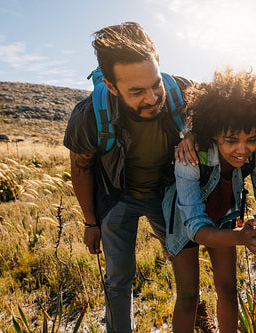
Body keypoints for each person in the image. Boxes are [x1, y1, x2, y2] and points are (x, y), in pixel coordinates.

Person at [63, 22, 192, 333]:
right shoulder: (89, 115)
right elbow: (80, 168)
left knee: (186, 269)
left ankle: (194, 316)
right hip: (117, 199)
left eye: (156, 85)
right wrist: (91, 222)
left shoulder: (182, 94)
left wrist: (193, 134)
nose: (151, 98)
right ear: (110, 86)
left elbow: (215, 121)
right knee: (119, 279)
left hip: (166, 196)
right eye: (136, 92)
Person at [162, 68, 256, 332]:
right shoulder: (190, 156)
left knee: (228, 290)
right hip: (184, 222)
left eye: (251, 140)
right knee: (189, 296)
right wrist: (241, 237)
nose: (242, 149)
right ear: (214, 132)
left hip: (225, 216)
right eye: (231, 140)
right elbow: (195, 227)